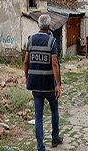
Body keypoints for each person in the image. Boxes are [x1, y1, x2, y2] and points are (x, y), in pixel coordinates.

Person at [24, 14, 63, 151]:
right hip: (49, 85)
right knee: (54, 110)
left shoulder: (31, 40)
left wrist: (27, 78)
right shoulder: (52, 41)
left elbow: (25, 62)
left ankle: (41, 147)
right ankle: (55, 137)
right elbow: (54, 63)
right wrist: (57, 84)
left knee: (38, 117)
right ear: (49, 26)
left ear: (38, 25)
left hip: (35, 85)